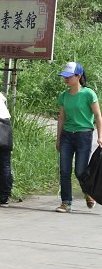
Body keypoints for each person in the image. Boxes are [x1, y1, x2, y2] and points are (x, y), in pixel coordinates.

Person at [55, 61, 102, 213]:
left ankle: (88, 192)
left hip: (84, 135)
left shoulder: (88, 93)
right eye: (65, 76)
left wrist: (100, 136)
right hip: (67, 136)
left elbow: (97, 116)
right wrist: (58, 138)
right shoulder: (63, 96)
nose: (66, 79)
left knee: (81, 171)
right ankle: (66, 202)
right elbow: (61, 118)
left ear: (79, 76)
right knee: (64, 170)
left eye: (69, 76)